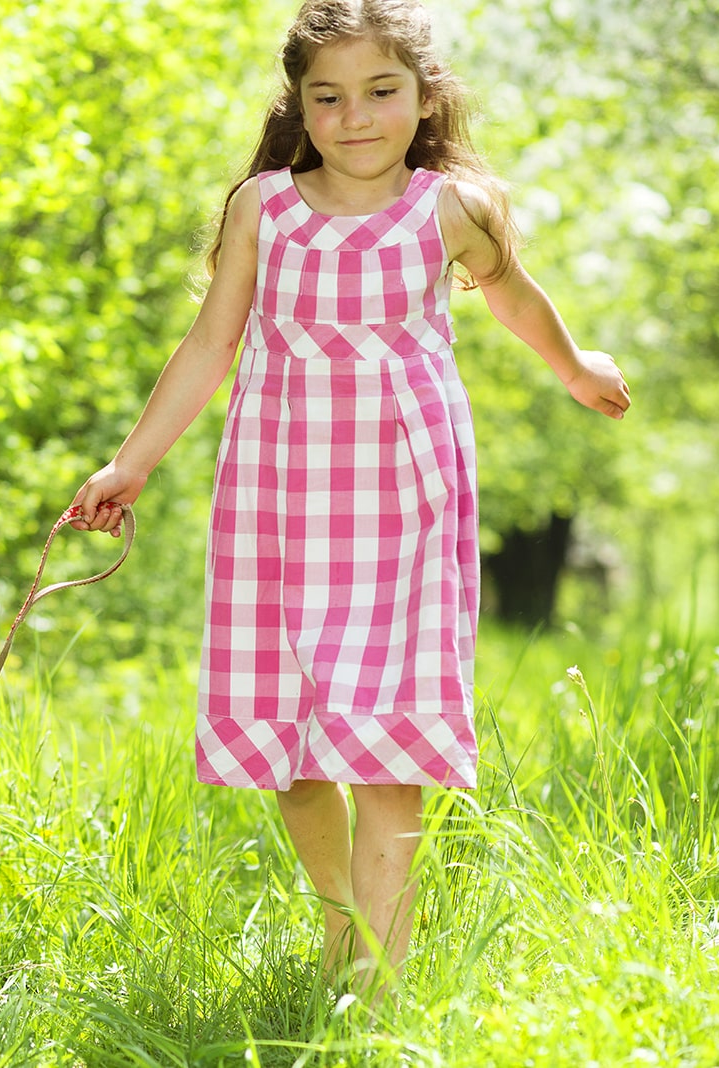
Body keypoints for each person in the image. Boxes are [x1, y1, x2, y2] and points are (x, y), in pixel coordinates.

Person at [69, 0, 630, 994]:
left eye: (380, 92)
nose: (355, 116)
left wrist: (573, 364)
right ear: (300, 106)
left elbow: (513, 295)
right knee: (289, 750)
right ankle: (342, 925)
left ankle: (377, 978)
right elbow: (210, 344)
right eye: (327, 97)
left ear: (421, 98)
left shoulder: (450, 207)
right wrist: (131, 463)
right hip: (275, 492)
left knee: (384, 737)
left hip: (405, 495)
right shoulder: (263, 209)